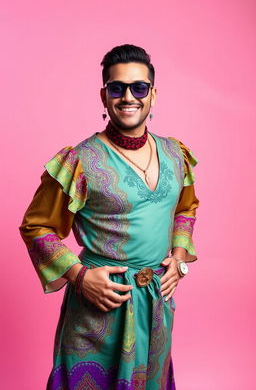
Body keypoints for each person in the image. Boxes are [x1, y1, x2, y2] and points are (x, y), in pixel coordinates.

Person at [19, 44, 200, 390]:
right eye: (117, 88)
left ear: (153, 95)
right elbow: (36, 226)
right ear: (104, 96)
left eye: (139, 87)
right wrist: (79, 276)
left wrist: (178, 260)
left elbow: (185, 209)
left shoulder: (176, 154)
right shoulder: (80, 160)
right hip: (99, 307)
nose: (128, 96)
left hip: (155, 307)